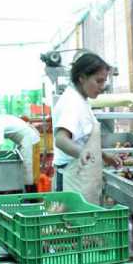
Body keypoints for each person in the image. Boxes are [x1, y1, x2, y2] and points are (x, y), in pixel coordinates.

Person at [51, 52, 121, 204]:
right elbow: (61, 140)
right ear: (82, 78)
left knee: (82, 224)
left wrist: (102, 155)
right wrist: (81, 153)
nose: (102, 87)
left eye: (104, 82)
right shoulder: (72, 103)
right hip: (72, 179)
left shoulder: (81, 100)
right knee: (70, 225)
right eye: (98, 81)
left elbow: (82, 139)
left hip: (81, 177)